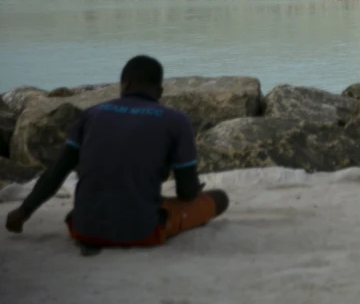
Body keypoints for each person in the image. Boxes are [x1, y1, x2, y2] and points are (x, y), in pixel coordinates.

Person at [5, 55, 229, 250]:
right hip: (142, 233)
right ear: (160, 91)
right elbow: (187, 192)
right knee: (219, 198)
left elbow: (57, 171)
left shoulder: (92, 114)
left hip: (82, 229)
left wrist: (24, 211)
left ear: (125, 84)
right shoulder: (176, 121)